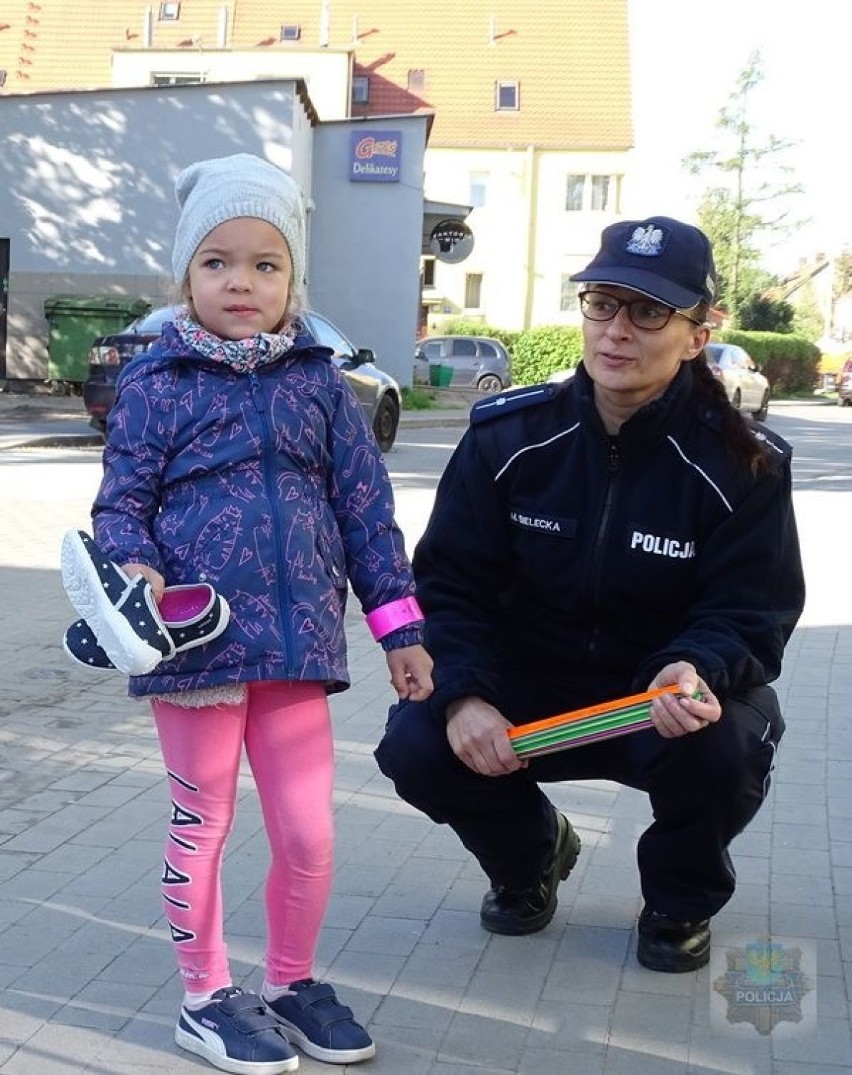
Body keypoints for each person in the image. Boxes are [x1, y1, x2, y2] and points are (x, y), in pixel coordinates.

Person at [375, 215, 805, 973]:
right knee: (416, 739)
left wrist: (693, 667)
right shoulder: (508, 439)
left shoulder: (744, 463)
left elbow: (753, 610)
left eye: (648, 311)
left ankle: (678, 897)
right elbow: (449, 584)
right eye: (603, 303)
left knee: (732, 742)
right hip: (529, 692)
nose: (617, 330)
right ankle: (529, 857)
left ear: (698, 334)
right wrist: (465, 695)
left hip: (652, 701)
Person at [83, 153, 433, 1073]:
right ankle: (205, 995)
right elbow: (121, 504)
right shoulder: (156, 384)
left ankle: (290, 981)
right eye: (217, 261)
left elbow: (367, 512)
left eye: (265, 263)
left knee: (310, 830)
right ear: (185, 274)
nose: (241, 281)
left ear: (294, 278)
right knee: (203, 824)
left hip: (297, 648)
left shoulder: (321, 382)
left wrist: (401, 630)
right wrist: (136, 568)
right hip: (194, 649)